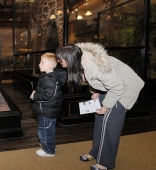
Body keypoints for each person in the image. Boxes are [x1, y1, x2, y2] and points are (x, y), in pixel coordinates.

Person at [55, 42, 144, 170]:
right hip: (111, 87)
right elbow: (95, 80)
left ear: (69, 58)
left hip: (124, 89)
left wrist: (106, 106)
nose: (59, 61)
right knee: (100, 121)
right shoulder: (81, 59)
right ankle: (96, 152)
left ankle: (106, 163)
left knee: (109, 126)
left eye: (60, 59)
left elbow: (117, 87)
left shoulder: (94, 67)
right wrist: (95, 91)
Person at [30, 52, 67, 157]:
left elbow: (49, 95)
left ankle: (49, 151)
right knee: (47, 130)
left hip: (47, 110)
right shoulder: (49, 76)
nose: (39, 64)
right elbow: (47, 92)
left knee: (45, 131)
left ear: (50, 66)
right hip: (47, 109)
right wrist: (36, 92)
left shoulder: (49, 78)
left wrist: (35, 96)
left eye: (42, 62)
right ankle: (49, 146)